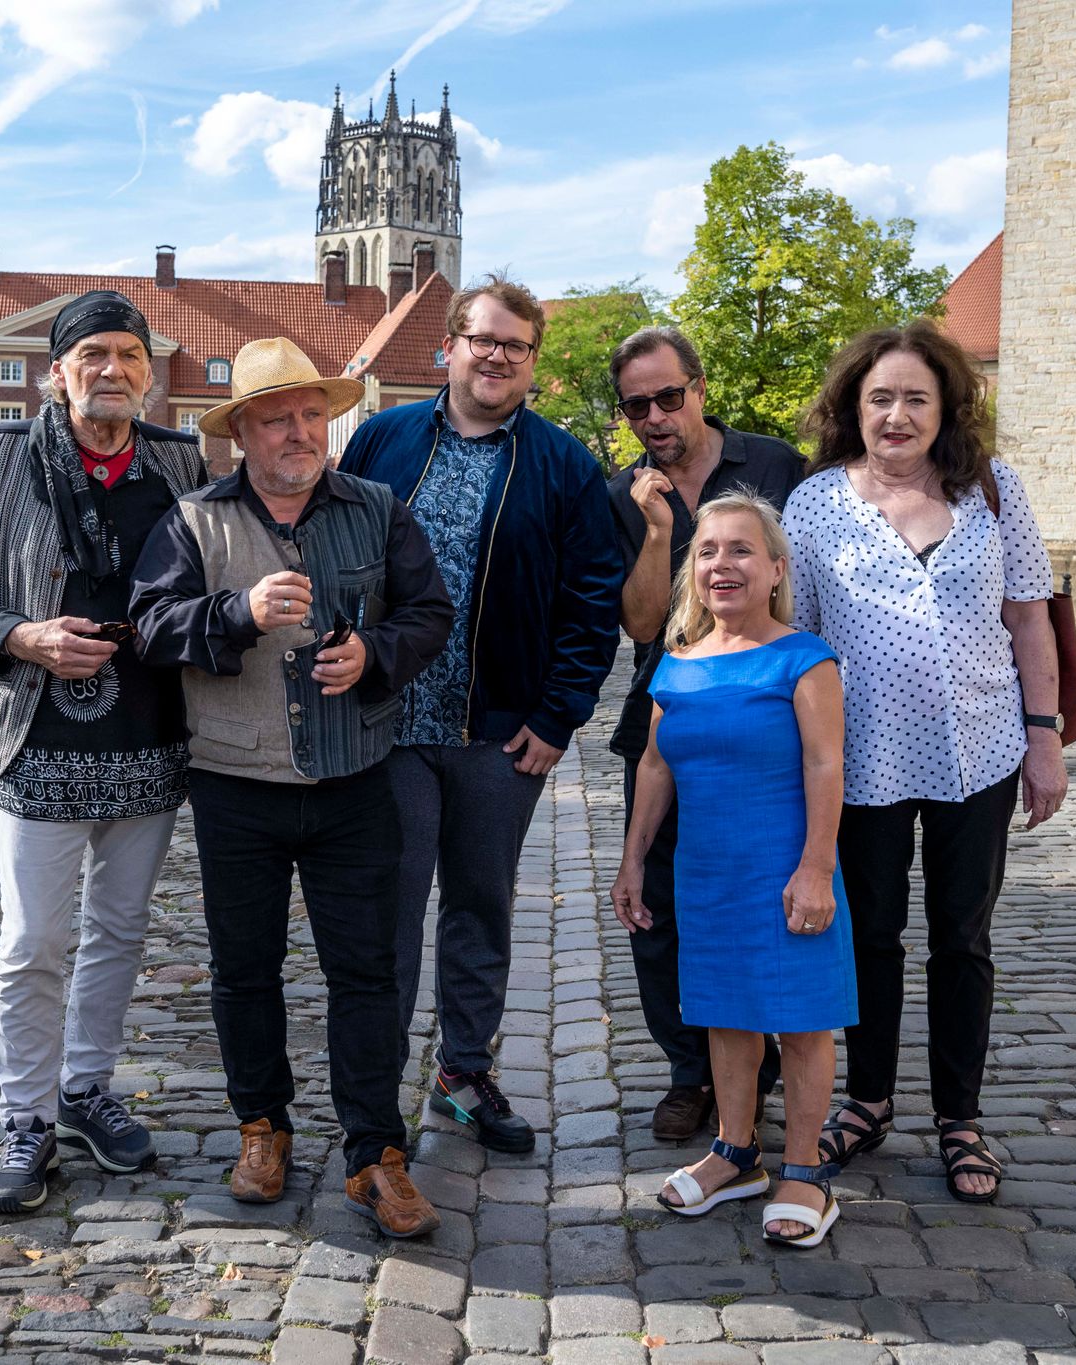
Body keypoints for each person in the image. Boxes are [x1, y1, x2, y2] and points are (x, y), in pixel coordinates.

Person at [132, 337, 454, 1238]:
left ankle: (373, 1154)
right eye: (278, 418)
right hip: (237, 784)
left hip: (354, 778)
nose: (300, 431)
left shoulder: (377, 508)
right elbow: (151, 627)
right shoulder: (194, 519)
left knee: (366, 971)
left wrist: (376, 655)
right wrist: (234, 613)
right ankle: (263, 1127)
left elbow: (429, 612)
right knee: (245, 971)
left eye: (312, 414)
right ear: (241, 432)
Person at [0, 289, 209, 1214]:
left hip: (148, 738)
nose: (114, 370)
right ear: (59, 373)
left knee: (121, 933)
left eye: (130, 355)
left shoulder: (178, 459)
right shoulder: (0, 456)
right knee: (35, 940)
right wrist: (21, 636)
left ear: (148, 372)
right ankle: (26, 1116)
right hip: (36, 737)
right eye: (94, 355)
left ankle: (84, 1090)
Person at [782, 319, 1066, 1205]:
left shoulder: (992, 489)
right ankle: (867, 1099)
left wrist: (1045, 737)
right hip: (856, 758)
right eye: (879, 399)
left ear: (946, 409)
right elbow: (796, 635)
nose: (896, 415)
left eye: (915, 398)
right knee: (866, 936)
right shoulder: (816, 502)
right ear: (851, 410)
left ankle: (960, 1117)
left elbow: (1029, 617)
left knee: (963, 939)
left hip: (979, 750)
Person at [339, 274, 621, 1155]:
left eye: (515, 345)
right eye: (482, 339)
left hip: (500, 734)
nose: (497, 355)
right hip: (387, 725)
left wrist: (559, 713)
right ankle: (373, 1091)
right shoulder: (381, 439)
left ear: (532, 360)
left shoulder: (565, 465)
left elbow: (592, 603)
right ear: (449, 348)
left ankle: (463, 1072)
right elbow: (336, 556)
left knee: (481, 906)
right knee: (388, 911)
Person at [611, 493, 851, 1248]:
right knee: (726, 1015)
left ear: (776, 568)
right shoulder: (675, 664)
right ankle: (735, 1152)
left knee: (804, 1018)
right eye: (709, 550)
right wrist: (632, 858)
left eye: (741, 549)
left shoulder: (804, 657)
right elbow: (654, 765)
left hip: (785, 864)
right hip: (705, 869)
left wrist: (816, 866)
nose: (723, 564)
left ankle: (806, 1170)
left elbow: (826, 761)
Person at [605, 327, 806, 1143]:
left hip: (771, 720)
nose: (655, 415)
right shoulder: (624, 491)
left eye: (668, 395)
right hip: (671, 718)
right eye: (636, 405)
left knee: (771, 891)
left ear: (699, 385)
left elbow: (809, 587)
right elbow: (643, 621)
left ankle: (768, 1072)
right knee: (658, 902)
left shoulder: (777, 466)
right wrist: (656, 534)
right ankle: (692, 1072)